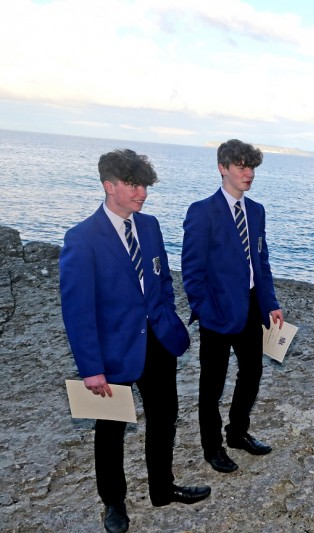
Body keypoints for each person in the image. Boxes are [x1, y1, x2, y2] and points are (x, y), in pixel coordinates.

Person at [60, 149, 211, 533]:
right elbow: (78, 310)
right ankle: (114, 503)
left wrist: (169, 318)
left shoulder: (150, 226)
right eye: (133, 184)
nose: (142, 192)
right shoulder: (81, 238)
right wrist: (91, 368)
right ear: (109, 186)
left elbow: (160, 280)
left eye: (144, 184)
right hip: (113, 352)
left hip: (159, 341)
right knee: (110, 431)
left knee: (164, 419)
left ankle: (162, 488)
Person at [182, 139, 284, 474]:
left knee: (252, 373)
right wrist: (207, 311)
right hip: (216, 312)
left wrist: (270, 303)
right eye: (241, 166)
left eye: (251, 166)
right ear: (222, 168)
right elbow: (192, 271)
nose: (248, 173)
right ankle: (212, 447)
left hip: (252, 307)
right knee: (212, 385)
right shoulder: (202, 211)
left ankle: (238, 432)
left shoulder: (256, 211)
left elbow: (261, 262)